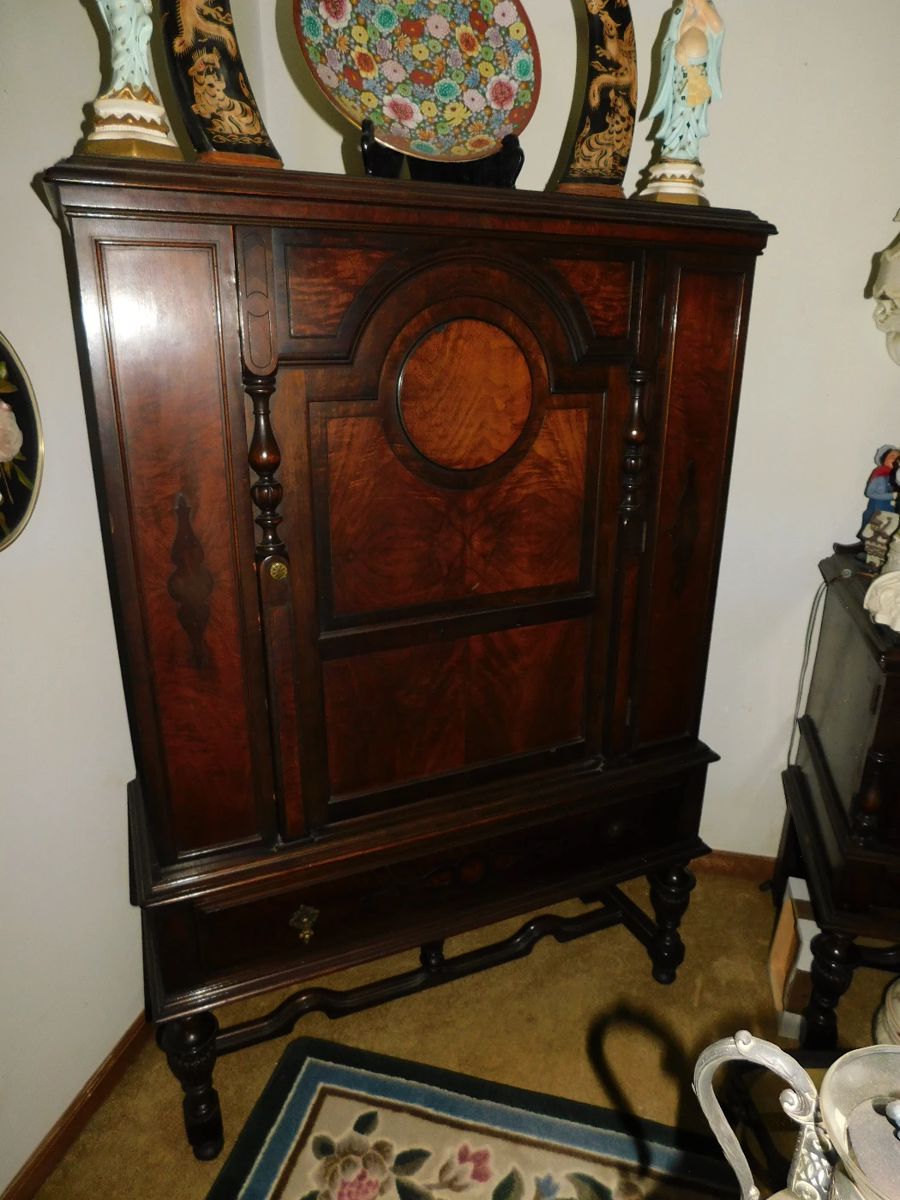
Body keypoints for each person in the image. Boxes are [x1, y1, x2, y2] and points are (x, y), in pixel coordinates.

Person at [648, 0, 724, 162]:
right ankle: (673, 148)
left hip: (698, 73)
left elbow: (718, 30)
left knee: (694, 112)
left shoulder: (708, 10)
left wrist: (702, 6)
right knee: (679, 110)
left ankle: (689, 149)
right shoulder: (679, 13)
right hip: (679, 72)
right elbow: (667, 43)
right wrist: (675, 51)